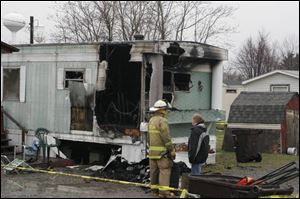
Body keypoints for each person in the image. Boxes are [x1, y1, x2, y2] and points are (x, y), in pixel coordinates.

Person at [148, 99, 176, 198]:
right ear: (162, 110)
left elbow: (148, 138)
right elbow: (166, 138)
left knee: (154, 172)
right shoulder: (162, 121)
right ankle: (164, 193)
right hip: (162, 154)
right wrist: (171, 150)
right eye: (166, 110)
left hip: (152, 153)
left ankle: (155, 191)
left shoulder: (151, 120)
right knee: (165, 171)